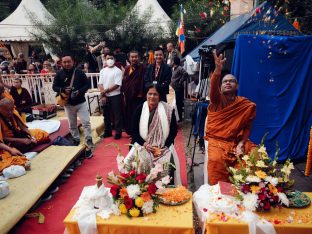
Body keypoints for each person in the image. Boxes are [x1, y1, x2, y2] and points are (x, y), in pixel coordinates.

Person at [205, 50, 256, 185]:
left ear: (237, 86)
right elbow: (213, 91)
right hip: (217, 141)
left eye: (231, 81)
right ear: (220, 87)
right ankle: (221, 192)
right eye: (225, 81)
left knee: (255, 154)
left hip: (236, 140)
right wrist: (217, 71)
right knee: (216, 160)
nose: (228, 83)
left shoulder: (245, 104)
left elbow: (247, 127)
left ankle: (244, 190)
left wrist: (242, 143)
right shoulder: (217, 100)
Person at [128, 84, 177, 176]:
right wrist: (145, 144)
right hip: (143, 144)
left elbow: (173, 131)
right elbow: (133, 131)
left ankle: (163, 186)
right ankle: (144, 185)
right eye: (149, 94)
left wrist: (165, 146)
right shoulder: (139, 109)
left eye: (155, 94)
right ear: (146, 95)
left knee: (166, 162)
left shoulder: (168, 110)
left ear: (160, 96)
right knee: (139, 161)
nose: (152, 97)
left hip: (163, 147)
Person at [52, 54, 94, 158]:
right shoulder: (59, 74)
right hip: (68, 104)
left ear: (73, 62)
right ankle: (76, 140)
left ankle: (89, 140)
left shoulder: (79, 72)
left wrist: (79, 91)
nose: (67, 64)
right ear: (62, 63)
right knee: (72, 124)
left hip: (81, 102)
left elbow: (87, 85)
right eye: (64, 62)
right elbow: (54, 87)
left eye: (68, 61)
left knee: (86, 122)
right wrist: (62, 90)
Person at [98, 53, 123, 139]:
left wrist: (105, 91)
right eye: (107, 58)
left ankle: (118, 132)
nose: (109, 60)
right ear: (105, 59)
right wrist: (103, 94)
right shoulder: (102, 71)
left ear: (114, 59)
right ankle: (107, 131)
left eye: (111, 58)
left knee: (117, 115)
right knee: (106, 115)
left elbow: (117, 85)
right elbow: (100, 84)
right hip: (105, 96)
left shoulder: (118, 71)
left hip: (115, 95)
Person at [121, 51, 146, 136]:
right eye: (132, 57)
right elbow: (125, 81)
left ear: (138, 58)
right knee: (129, 114)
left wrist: (142, 92)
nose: (134, 59)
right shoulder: (127, 68)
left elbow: (144, 81)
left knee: (138, 114)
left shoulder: (143, 68)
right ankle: (131, 131)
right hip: (129, 95)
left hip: (139, 96)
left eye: (135, 57)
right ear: (129, 58)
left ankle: (140, 131)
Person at [171, 57, 188, 121]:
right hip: (173, 88)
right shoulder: (173, 69)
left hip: (178, 88)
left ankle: (180, 118)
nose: (171, 62)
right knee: (174, 103)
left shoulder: (179, 68)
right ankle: (176, 117)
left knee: (178, 103)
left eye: (172, 60)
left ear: (174, 61)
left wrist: (180, 82)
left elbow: (185, 74)